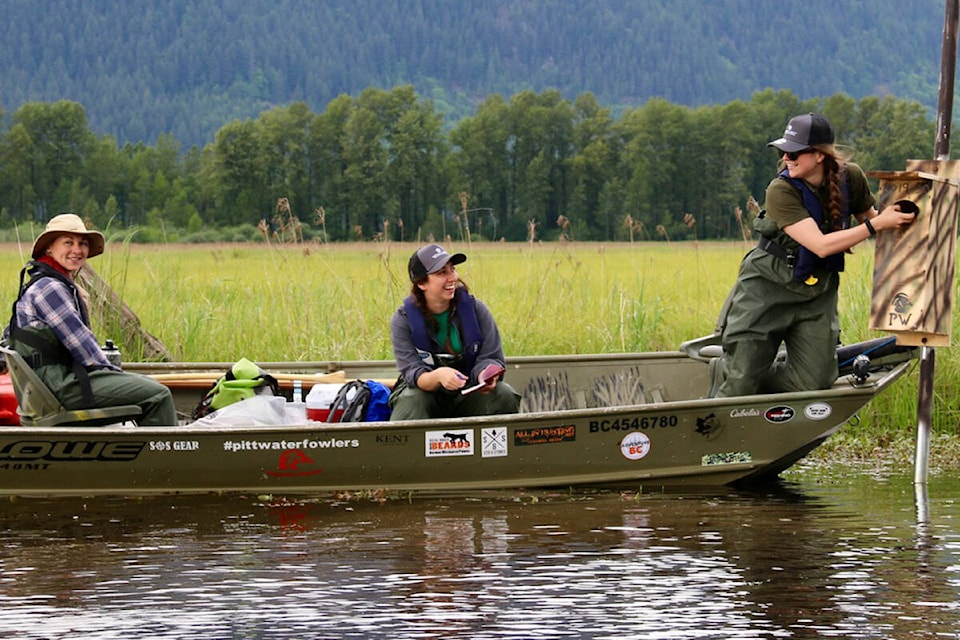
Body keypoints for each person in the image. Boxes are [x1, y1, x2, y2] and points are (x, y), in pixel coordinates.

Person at [709, 113, 916, 398]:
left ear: (819, 155)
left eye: (793, 152)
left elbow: (876, 221)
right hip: (768, 284)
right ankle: (734, 376)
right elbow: (820, 245)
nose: (786, 158)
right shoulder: (780, 190)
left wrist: (916, 224)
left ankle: (752, 374)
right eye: (782, 151)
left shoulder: (850, 177)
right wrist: (874, 225)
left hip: (817, 289)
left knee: (815, 382)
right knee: (741, 381)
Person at [4, 213, 177, 425]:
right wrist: (116, 376)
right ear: (49, 248)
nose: (77, 250)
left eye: (82, 243)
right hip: (62, 388)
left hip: (48, 387)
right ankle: (163, 456)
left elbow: (9, 337)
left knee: (144, 384)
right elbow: (83, 347)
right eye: (68, 242)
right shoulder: (51, 288)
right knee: (158, 394)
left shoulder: (38, 282)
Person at [389, 243, 521, 420]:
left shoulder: (476, 310)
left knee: (503, 393)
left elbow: (491, 357)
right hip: (427, 397)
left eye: (452, 269)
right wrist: (438, 376)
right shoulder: (403, 320)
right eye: (442, 272)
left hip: (468, 395)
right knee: (413, 399)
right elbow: (414, 373)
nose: (452, 278)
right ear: (421, 283)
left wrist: (484, 375)